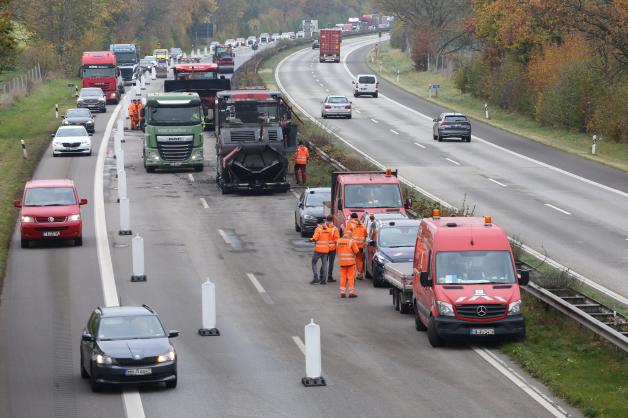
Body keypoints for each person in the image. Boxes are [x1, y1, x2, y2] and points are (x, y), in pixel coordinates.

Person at [337, 229, 359, 298]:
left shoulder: (338, 241)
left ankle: (342, 292)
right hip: (351, 263)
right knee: (350, 277)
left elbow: (338, 250)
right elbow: (356, 252)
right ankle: (351, 292)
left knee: (343, 277)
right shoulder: (351, 241)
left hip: (342, 263)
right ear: (350, 235)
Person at [346, 212, 367, 280]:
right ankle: (360, 274)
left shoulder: (350, 224)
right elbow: (366, 234)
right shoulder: (363, 224)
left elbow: (346, 234)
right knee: (359, 259)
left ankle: (351, 275)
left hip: (353, 244)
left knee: (351, 259)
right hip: (360, 245)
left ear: (351, 217)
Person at [326, 216, 339, 283]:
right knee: (331, 263)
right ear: (332, 220)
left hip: (324, 248)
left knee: (324, 262)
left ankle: (322, 276)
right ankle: (329, 277)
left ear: (326, 220)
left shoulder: (323, 227)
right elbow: (336, 239)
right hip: (332, 249)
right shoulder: (334, 229)